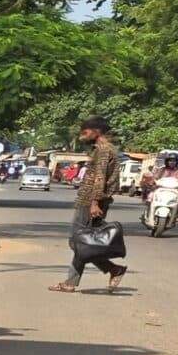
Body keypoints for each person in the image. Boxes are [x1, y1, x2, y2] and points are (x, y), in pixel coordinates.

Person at [53, 115, 124, 293]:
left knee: (79, 241)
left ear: (97, 131)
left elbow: (100, 178)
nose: (81, 137)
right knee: (83, 241)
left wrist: (94, 203)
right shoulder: (103, 149)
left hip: (90, 201)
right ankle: (111, 269)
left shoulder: (103, 150)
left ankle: (75, 280)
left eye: (85, 133)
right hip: (90, 200)